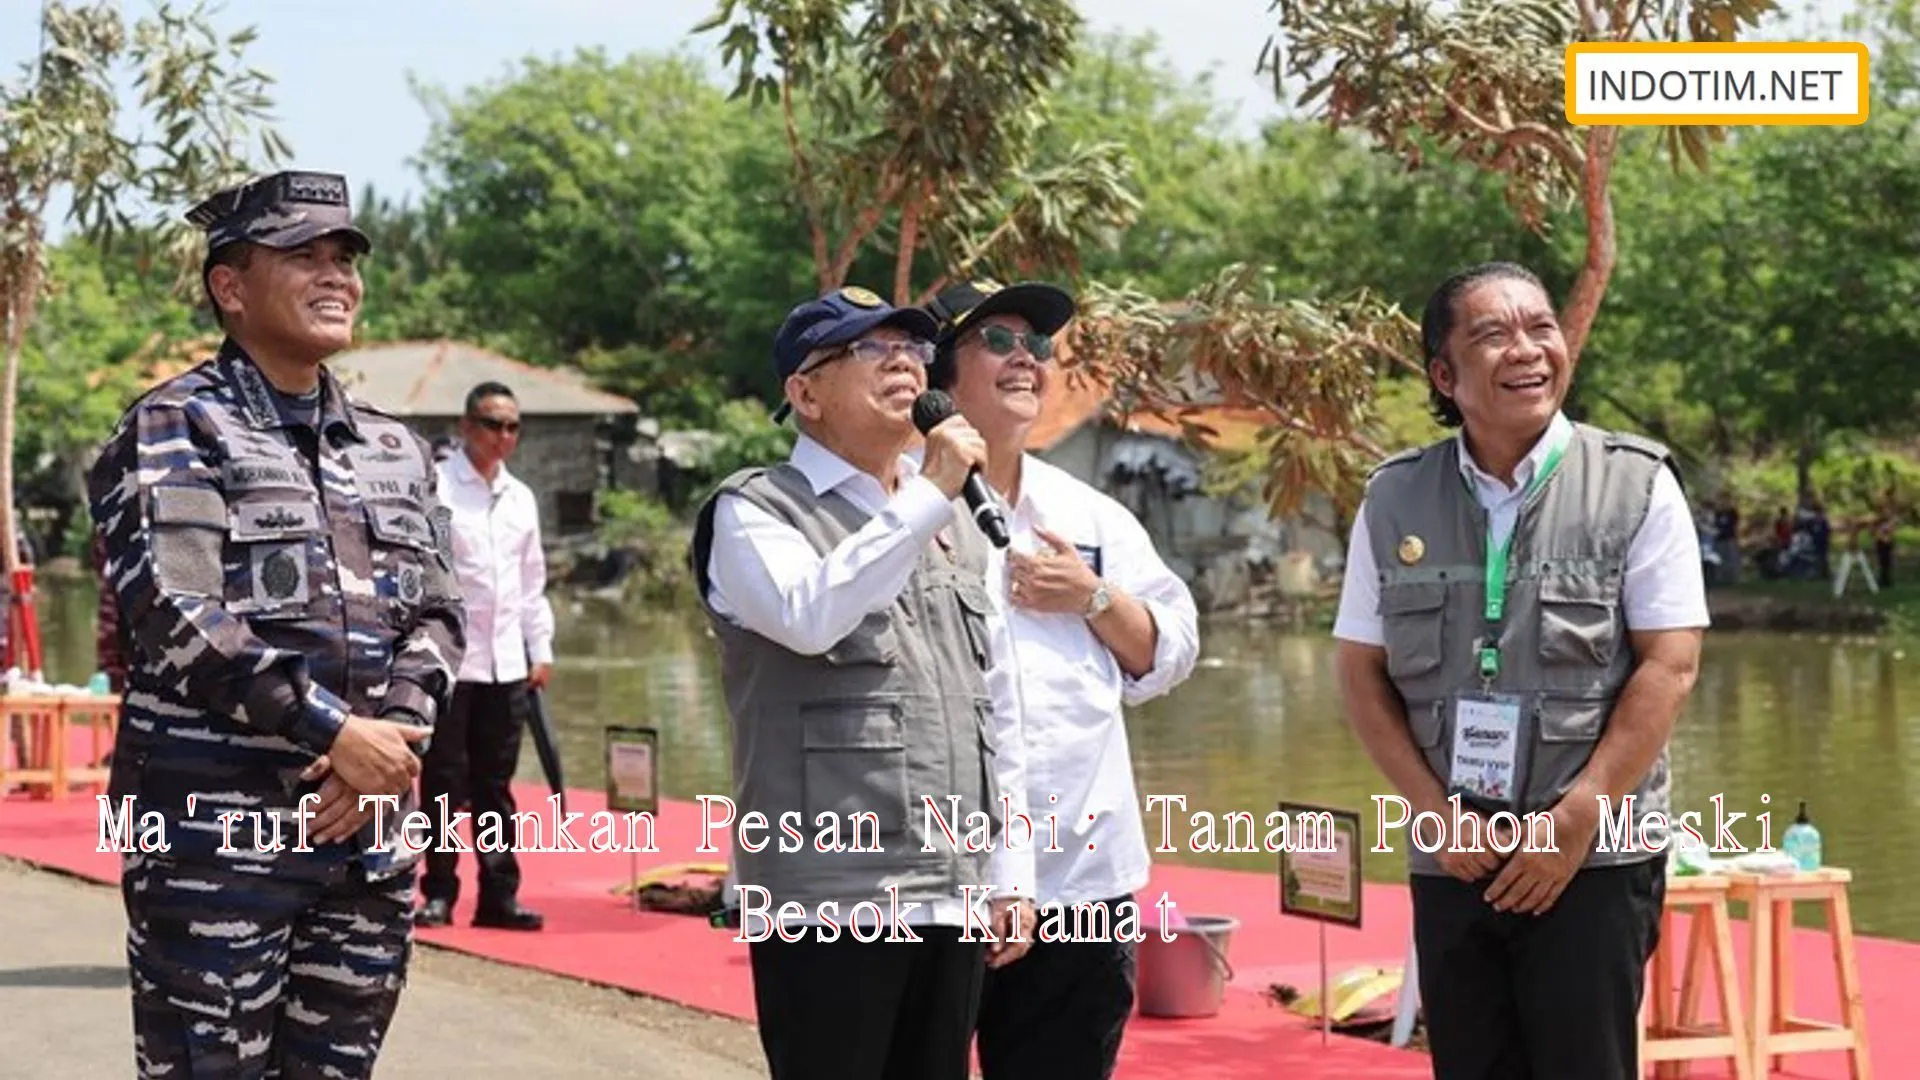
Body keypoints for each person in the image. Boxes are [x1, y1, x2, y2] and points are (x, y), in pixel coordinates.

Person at [86, 170, 464, 1080]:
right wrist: (338, 733)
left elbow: (443, 611)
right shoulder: (176, 428)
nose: (336, 274)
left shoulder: (396, 447)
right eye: (303, 255)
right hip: (216, 843)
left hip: (364, 843)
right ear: (231, 288)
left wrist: (395, 739)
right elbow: (179, 611)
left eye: (344, 257)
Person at [1331, 261, 1707, 1080]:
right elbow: (1361, 671)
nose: (1528, 348)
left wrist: (1575, 818)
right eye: (1494, 334)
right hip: (1456, 852)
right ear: (1443, 372)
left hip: (1593, 856)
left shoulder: (1636, 484)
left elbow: (1671, 666)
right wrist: (1435, 811)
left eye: (1541, 327)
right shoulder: (1394, 499)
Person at [689, 285, 1038, 1080]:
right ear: (805, 392)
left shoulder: (954, 521)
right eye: (871, 349)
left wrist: (1011, 871)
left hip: (950, 892)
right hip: (828, 897)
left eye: (913, 348)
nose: (905, 365)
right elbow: (810, 615)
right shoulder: (756, 511)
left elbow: (1002, 711)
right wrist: (928, 493)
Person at [920, 279, 1201, 1079]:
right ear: (940, 375)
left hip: (1082, 876)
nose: (1027, 361)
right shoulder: (897, 509)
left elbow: (1170, 647)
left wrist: (1096, 598)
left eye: (1038, 347)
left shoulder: (1089, 514)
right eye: (999, 342)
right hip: (940, 879)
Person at [416, 380, 554, 931]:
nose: (504, 436)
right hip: (453, 662)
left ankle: (499, 895)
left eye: (513, 427)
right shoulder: (440, 492)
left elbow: (531, 583)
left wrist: (539, 650)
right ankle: (439, 891)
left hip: (506, 662)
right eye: (494, 424)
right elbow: (426, 575)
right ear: (468, 426)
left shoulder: (520, 498)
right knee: (444, 782)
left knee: (497, 787)